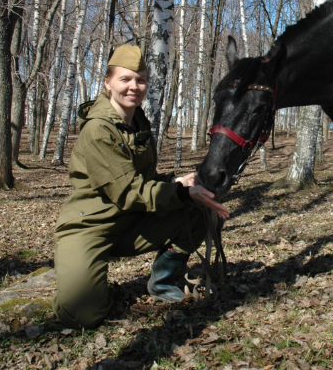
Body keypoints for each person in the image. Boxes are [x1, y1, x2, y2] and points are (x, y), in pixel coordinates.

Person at [52, 44, 230, 330]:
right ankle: (76, 272)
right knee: (82, 317)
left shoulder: (137, 120)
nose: (134, 87)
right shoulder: (99, 129)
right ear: (108, 83)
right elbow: (128, 191)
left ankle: (163, 281)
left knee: (197, 210)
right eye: (125, 79)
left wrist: (177, 183)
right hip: (90, 227)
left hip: (130, 221)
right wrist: (180, 191)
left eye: (141, 80)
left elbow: (142, 178)